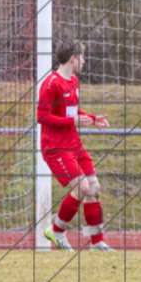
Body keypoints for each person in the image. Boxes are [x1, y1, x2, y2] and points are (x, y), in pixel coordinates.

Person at [37, 40, 114, 252]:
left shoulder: (74, 81)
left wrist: (92, 118)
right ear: (72, 59)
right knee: (82, 187)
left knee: (94, 187)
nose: (84, 61)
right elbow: (42, 117)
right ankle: (57, 231)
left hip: (73, 144)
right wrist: (73, 122)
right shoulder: (51, 84)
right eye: (82, 57)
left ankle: (97, 242)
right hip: (55, 148)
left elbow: (72, 114)